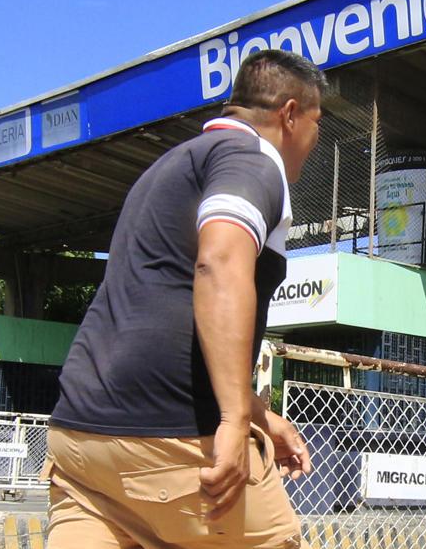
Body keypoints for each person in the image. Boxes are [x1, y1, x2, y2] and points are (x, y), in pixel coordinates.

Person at [46, 48, 326, 549]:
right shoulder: (253, 160)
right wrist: (236, 421)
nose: (314, 139)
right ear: (289, 114)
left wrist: (261, 414)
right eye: (316, 122)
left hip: (80, 441)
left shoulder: (168, 168)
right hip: (169, 438)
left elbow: (165, 312)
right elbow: (218, 262)